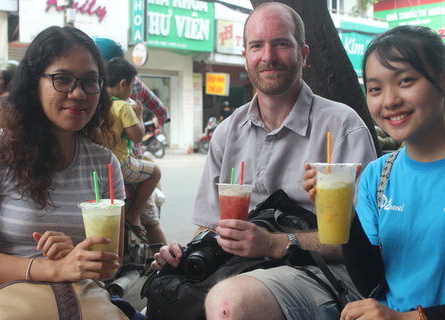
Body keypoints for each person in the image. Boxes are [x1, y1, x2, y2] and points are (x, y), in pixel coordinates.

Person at [152, 3, 377, 320]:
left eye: (281, 43)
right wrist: (184, 251)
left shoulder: (342, 128)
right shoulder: (227, 132)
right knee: (160, 297)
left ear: (304, 54)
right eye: (257, 45)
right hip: (241, 267)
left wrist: (275, 243)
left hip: (325, 273)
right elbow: (211, 225)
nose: (268, 56)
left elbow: (362, 242)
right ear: (245, 56)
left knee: (230, 304)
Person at [0, 26, 144, 320]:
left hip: (79, 300)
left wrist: (74, 254)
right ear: (34, 84)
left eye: (90, 81)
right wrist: (53, 268)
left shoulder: (105, 163)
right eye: (62, 79)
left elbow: (111, 265)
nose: (78, 93)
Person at [303, 25, 445, 320]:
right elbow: (372, 283)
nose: (389, 100)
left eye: (406, 80)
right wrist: (343, 214)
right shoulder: (378, 175)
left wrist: (407, 318)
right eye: (375, 89)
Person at [106, 57, 167, 248]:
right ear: (123, 84)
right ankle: (134, 213)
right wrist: (139, 114)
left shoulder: (97, 104)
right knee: (155, 172)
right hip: (122, 164)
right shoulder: (123, 106)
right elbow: (138, 136)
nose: (133, 90)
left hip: (102, 167)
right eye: (132, 86)